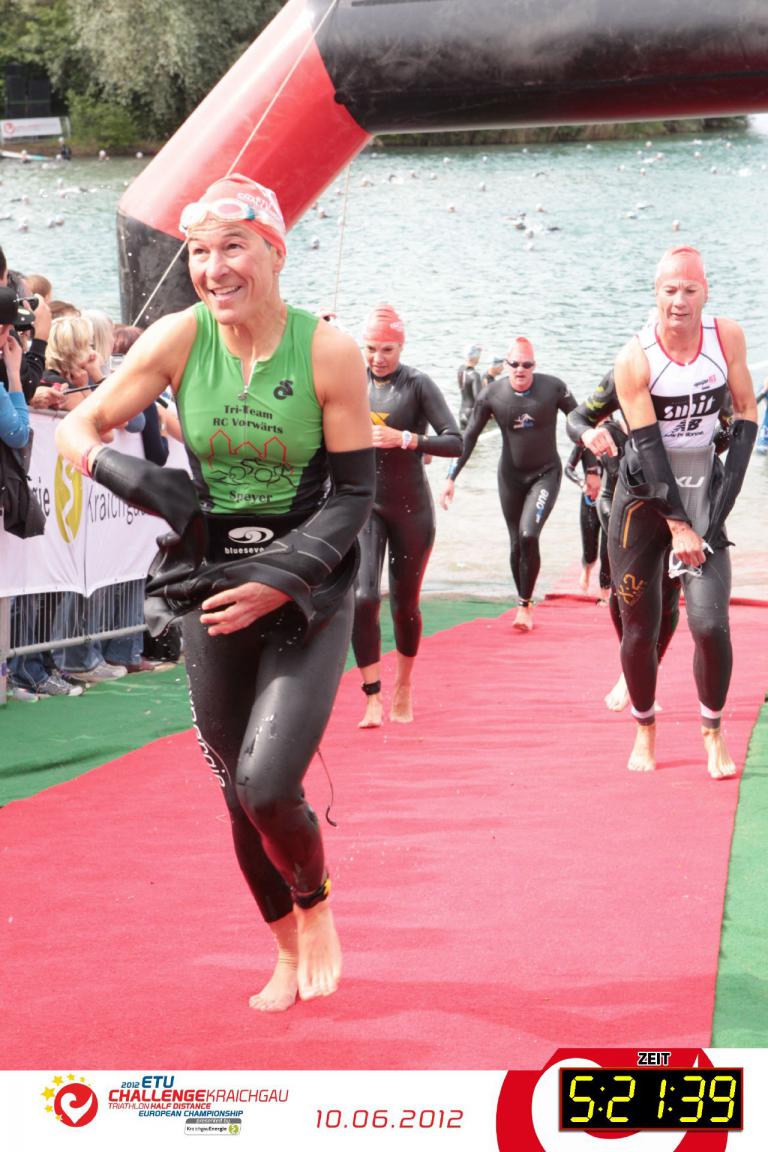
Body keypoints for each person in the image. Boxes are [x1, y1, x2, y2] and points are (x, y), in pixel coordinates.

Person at [55, 173, 374, 1009]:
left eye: (234, 246)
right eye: (200, 252)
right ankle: (284, 951)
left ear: (275, 251)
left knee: (268, 784)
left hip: (307, 585)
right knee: (237, 792)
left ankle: (316, 902)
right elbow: (75, 426)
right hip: (210, 582)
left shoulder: (327, 352)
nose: (214, 267)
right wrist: (125, 472)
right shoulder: (177, 338)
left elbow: (354, 497)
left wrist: (279, 581)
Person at [608, 245, 757, 777]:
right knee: (640, 628)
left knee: (710, 624)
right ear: (656, 294)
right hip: (644, 500)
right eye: (670, 290)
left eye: (690, 290)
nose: (679, 301)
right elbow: (648, 450)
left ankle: (712, 732)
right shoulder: (635, 358)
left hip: (701, 488)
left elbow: (746, 413)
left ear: (705, 292)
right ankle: (645, 728)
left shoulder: (727, 337)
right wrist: (679, 526)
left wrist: (717, 510)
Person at [353, 304, 462, 728]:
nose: (378, 358)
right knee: (363, 598)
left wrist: (407, 439)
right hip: (367, 506)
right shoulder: (351, 379)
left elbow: (455, 441)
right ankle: (372, 696)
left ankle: (404, 685)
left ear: (401, 347)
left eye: (387, 350)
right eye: (370, 348)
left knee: (404, 605)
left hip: (410, 508)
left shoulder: (417, 385)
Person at [440, 336, 577, 631]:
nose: (520, 369)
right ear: (506, 364)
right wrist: (451, 477)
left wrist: (591, 469)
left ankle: (525, 605)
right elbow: (469, 437)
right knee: (516, 541)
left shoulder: (553, 388)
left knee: (529, 535)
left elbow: (580, 423)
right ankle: (522, 600)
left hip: (545, 474)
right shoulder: (492, 395)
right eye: (514, 364)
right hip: (510, 478)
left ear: (534, 366)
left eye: (527, 365)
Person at [457, 342, 483, 430]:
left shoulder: (460, 369)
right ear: (475, 357)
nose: (479, 358)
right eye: (479, 355)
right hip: (471, 414)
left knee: (463, 437)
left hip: (462, 412)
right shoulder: (475, 375)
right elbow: (479, 399)